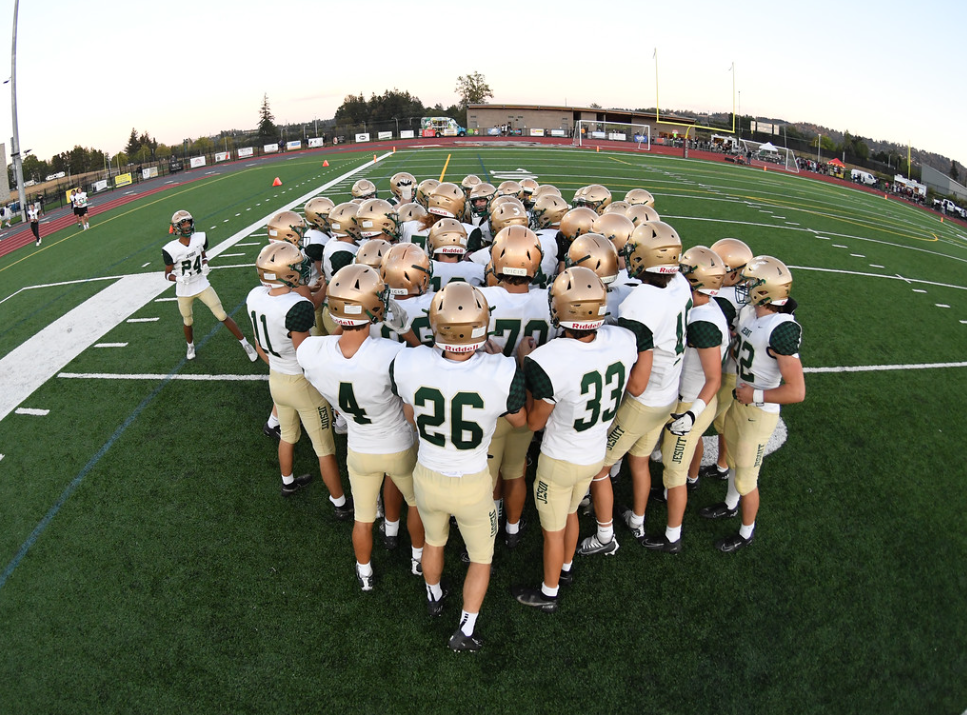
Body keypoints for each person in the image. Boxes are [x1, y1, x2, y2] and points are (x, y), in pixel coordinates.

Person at [390, 282, 527, 652]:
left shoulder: (408, 362)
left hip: (428, 473)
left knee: (435, 541)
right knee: (481, 558)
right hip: (471, 481)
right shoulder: (502, 370)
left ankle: (434, 595)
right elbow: (520, 420)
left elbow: (408, 412)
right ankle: (464, 631)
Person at [512, 267, 637, 612]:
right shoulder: (622, 340)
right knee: (569, 513)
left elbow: (535, 423)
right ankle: (565, 570)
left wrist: (524, 362)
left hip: (560, 457)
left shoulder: (548, 360)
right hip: (595, 449)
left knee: (553, 529)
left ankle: (549, 592)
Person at [298, 264, 425, 591]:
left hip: (359, 447)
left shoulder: (314, 352)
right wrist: (403, 326)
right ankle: (417, 558)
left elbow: (306, 343)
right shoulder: (391, 353)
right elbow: (423, 359)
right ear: (374, 307)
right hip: (396, 444)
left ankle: (365, 573)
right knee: (416, 505)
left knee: (363, 519)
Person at [578, 221, 691, 556]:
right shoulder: (680, 283)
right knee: (638, 460)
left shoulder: (641, 302)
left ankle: (604, 537)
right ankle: (637, 521)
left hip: (646, 397)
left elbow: (637, 380)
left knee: (600, 467)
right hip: (669, 392)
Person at [698, 256, 805, 552]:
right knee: (732, 460)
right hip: (741, 402)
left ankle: (747, 533)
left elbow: (796, 391)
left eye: (750, 283)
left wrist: (756, 396)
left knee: (747, 477)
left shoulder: (781, 329)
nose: (745, 286)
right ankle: (730, 504)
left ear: (764, 289)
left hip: (759, 411)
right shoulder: (750, 313)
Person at [247, 241, 353, 515]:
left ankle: (288, 482)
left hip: (277, 378)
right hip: (300, 383)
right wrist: (342, 329)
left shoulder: (255, 296)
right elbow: (307, 355)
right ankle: (340, 502)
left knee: (289, 434)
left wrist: (279, 365)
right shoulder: (297, 306)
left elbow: (259, 345)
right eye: (295, 266)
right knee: (324, 448)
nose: (300, 269)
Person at [642, 246, 728, 553]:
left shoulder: (702, 323)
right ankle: (693, 478)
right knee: (684, 461)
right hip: (694, 400)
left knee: (672, 472)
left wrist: (691, 415)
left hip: (692, 402)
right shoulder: (710, 308)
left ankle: (672, 537)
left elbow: (714, 377)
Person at [162, 210, 259, 362]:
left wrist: (205, 263)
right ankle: (190, 345)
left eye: (188, 223)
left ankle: (245, 343)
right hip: (184, 290)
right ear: (176, 228)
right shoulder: (170, 249)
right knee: (188, 321)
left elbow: (203, 254)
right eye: (183, 224)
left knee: (222, 315)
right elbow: (167, 274)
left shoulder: (200, 238)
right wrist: (179, 279)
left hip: (201, 284)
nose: (187, 227)